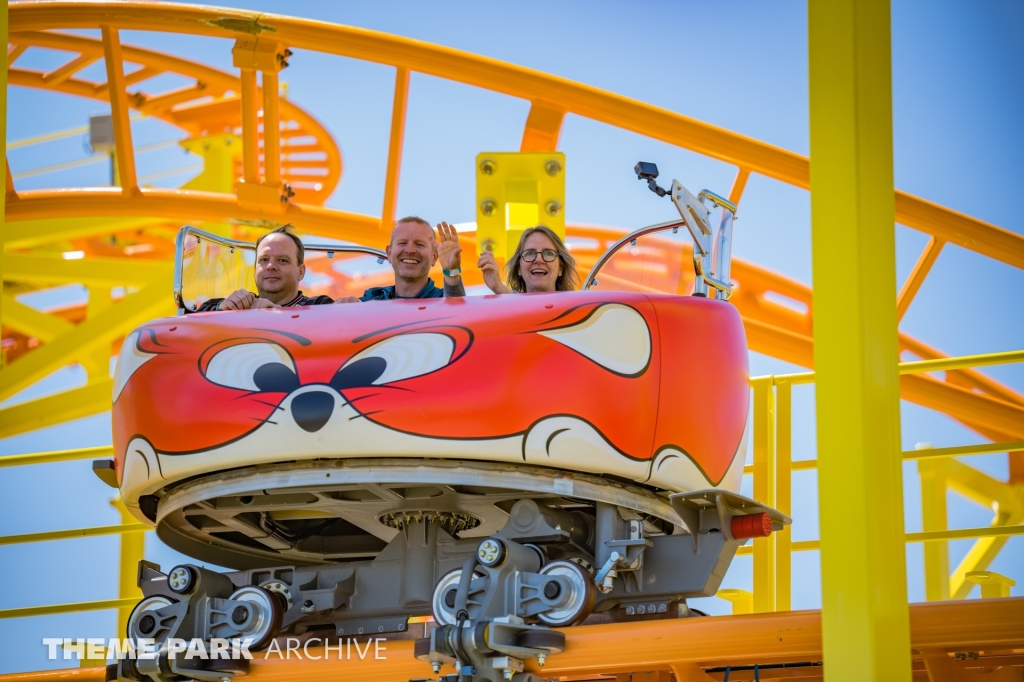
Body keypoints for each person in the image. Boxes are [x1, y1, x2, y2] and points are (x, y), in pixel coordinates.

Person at [192, 225, 334, 312]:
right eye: (264, 260)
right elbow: (191, 326)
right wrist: (221, 309)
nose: (271, 266)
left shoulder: (320, 306)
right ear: (255, 269)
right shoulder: (231, 307)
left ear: (301, 271)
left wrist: (279, 315)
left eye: (282, 260)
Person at [335, 217, 465, 302]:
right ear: (389, 253)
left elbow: (458, 315)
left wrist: (451, 271)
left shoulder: (441, 301)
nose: (410, 250)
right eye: (402, 243)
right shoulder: (372, 300)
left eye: (419, 244)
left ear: (434, 257)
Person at [477, 225, 580, 294]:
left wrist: (499, 288)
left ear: (560, 269)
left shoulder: (581, 313)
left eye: (548, 253)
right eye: (530, 253)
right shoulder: (501, 316)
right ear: (519, 269)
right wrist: (497, 286)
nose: (539, 259)